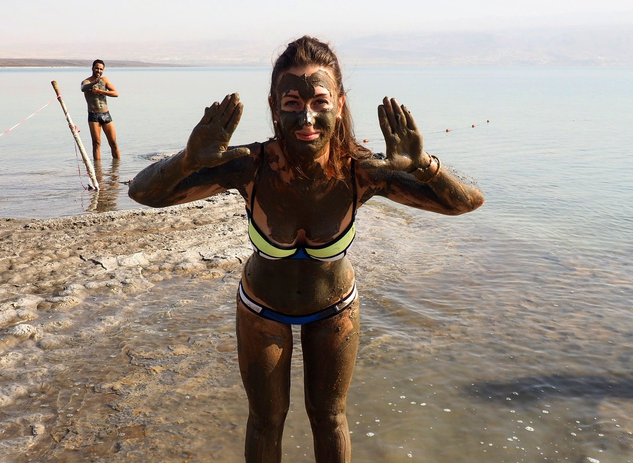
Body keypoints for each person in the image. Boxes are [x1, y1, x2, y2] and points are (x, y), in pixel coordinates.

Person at [128, 36, 484, 462]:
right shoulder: (250, 165)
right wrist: (188, 160)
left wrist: (425, 166)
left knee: (329, 416)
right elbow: (144, 194)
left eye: (319, 101)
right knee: (265, 419)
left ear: (341, 102)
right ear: (274, 104)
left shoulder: (364, 171)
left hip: (334, 309)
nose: (307, 116)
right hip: (262, 309)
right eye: (292, 103)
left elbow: (465, 203)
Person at [81, 59, 120, 160]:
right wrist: (94, 83)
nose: (98, 70)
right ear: (92, 68)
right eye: (97, 68)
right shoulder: (87, 81)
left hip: (106, 114)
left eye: (101, 69)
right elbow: (83, 88)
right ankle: (98, 171)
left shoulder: (105, 80)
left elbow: (115, 93)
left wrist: (100, 91)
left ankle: (117, 170)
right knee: (96, 143)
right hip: (94, 115)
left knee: (113, 142)